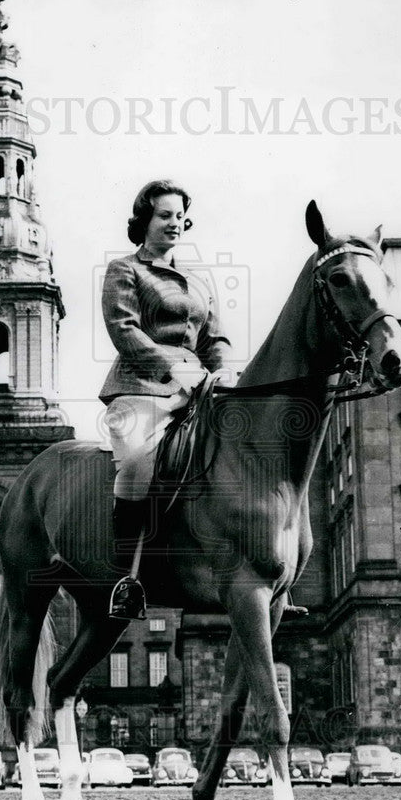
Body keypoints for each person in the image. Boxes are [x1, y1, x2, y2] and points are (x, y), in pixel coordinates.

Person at [100, 179, 232, 619]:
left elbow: (216, 338)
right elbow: (124, 329)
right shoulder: (125, 270)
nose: (173, 223)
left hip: (199, 387)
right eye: (164, 215)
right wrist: (171, 368)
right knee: (139, 465)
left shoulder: (198, 281)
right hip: (142, 388)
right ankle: (127, 575)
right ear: (145, 221)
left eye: (179, 216)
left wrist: (223, 371)